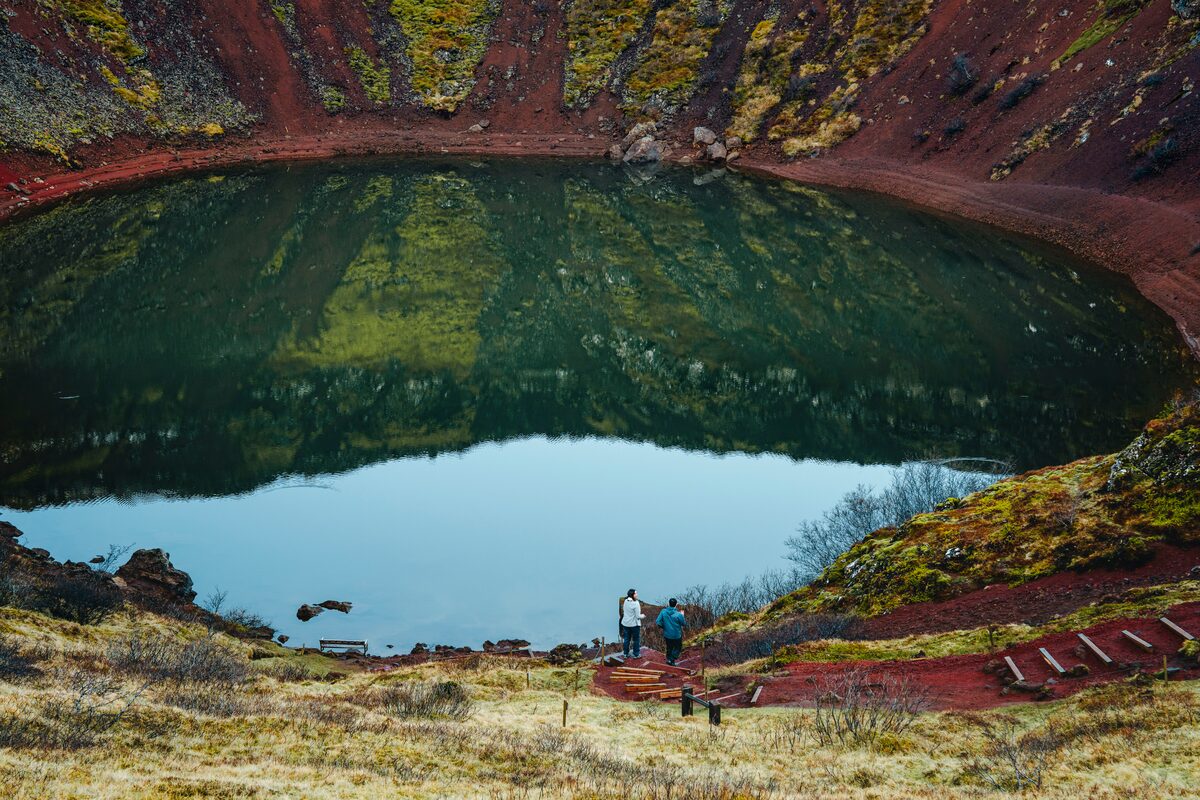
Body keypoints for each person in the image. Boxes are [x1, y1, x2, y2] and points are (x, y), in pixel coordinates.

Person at [655, 598, 687, 666]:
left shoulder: (663, 611)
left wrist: (664, 627)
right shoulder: (678, 614)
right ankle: (671, 660)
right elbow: (683, 623)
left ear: (668, 604)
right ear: (676, 605)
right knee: (678, 647)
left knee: (669, 647)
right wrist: (682, 615)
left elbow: (658, 622)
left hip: (667, 634)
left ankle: (669, 661)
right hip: (676, 635)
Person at [619, 588, 644, 659]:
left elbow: (625, 611)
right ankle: (636, 654)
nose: (637, 594)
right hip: (634, 625)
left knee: (627, 639)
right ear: (632, 595)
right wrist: (643, 616)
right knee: (636, 639)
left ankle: (625, 653)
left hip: (626, 623)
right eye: (636, 593)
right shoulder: (636, 603)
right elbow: (638, 616)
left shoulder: (626, 601)